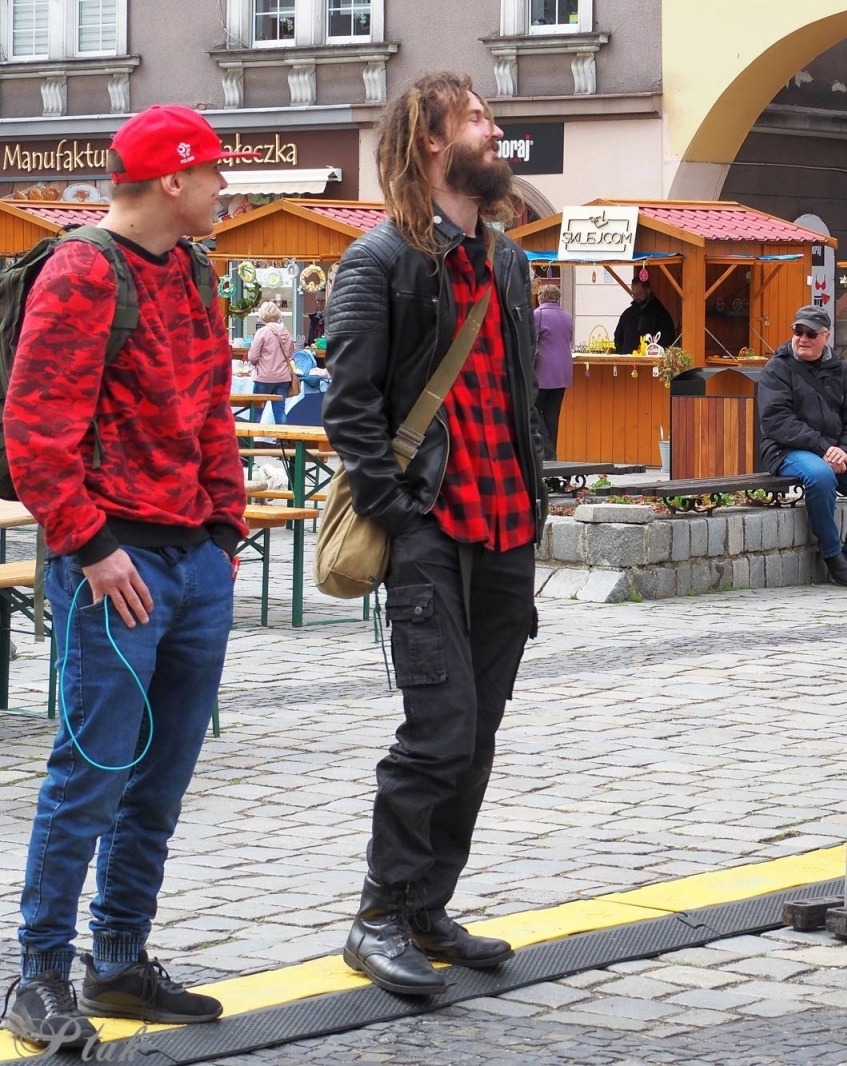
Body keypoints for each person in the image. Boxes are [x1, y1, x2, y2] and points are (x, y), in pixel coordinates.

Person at [0, 104, 255, 1048]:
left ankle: (118, 961)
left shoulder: (191, 268)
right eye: (216, 173)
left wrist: (224, 532)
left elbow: (213, 408)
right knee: (92, 771)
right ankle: (39, 975)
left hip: (191, 561)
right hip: (115, 565)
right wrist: (93, 547)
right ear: (174, 180)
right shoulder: (80, 271)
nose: (226, 188)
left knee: (162, 777)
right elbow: (36, 433)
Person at [323, 71, 546, 998]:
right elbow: (350, 410)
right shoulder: (379, 264)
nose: (495, 132)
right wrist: (403, 513)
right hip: (431, 532)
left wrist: (537, 498)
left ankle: (425, 905)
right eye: (478, 120)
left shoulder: (508, 262)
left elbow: (524, 398)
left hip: (504, 529)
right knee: (438, 730)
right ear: (430, 141)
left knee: (480, 731)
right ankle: (377, 915)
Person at [757, 304, 847, 588]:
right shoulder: (776, 368)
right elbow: (777, 421)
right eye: (798, 331)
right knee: (820, 476)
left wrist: (846, 449)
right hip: (787, 450)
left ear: (826, 336)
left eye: (811, 333)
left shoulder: (840, 369)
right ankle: (832, 556)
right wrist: (823, 448)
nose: (803, 338)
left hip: (834, 451)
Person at [532, 284, 573, 460]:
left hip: (542, 372)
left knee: (533, 409)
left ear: (541, 297)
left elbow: (530, 341)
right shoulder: (567, 317)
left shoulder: (537, 315)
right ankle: (552, 455)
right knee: (552, 415)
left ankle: (548, 454)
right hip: (563, 373)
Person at [246, 300, 296, 424]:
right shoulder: (286, 332)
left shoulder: (262, 332)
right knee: (279, 412)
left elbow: (253, 357)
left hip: (264, 377)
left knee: (257, 411)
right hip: (283, 378)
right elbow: (290, 354)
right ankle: (283, 440)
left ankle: (252, 440)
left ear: (263, 315)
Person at [613, 276, 678, 354]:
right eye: (634, 294)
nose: (636, 297)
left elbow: (668, 341)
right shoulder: (627, 315)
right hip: (627, 362)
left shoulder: (661, 316)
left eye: (639, 294)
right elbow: (618, 338)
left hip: (652, 363)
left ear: (648, 291)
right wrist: (623, 353)